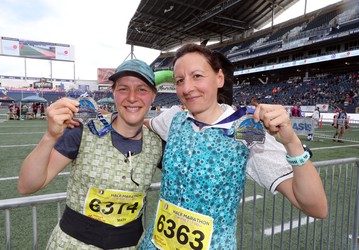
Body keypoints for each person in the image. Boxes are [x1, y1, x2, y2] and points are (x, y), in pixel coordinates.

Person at [139, 43, 327, 250]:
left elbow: (316, 207)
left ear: (219, 78)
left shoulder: (246, 131)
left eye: (197, 76)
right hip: (155, 245)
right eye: (179, 81)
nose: (187, 88)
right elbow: (141, 122)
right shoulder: (174, 119)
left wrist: (292, 142)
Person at [18, 59, 163, 249]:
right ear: (113, 93)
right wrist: (50, 136)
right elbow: (27, 186)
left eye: (142, 89)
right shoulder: (83, 129)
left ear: (153, 96)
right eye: (123, 89)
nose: (132, 97)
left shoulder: (158, 142)